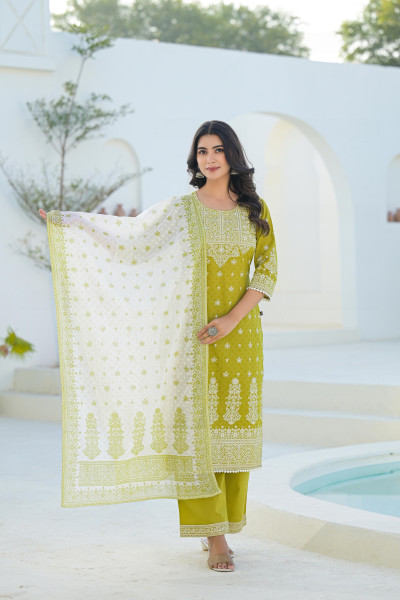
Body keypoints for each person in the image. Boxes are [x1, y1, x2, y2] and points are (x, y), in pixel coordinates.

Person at [39, 119, 277, 573]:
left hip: (242, 338)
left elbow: (267, 269)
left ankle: (222, 523)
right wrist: (70, 226)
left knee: (230, 435)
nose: (209, 158)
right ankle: (215, 538)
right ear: (195, 160)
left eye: (218, 150)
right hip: (191, 338)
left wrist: (231, 319)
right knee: (197, 438)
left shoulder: (255, 209)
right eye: (202, 151)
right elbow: (131, 237)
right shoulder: (181, 210)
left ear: (232, 155)